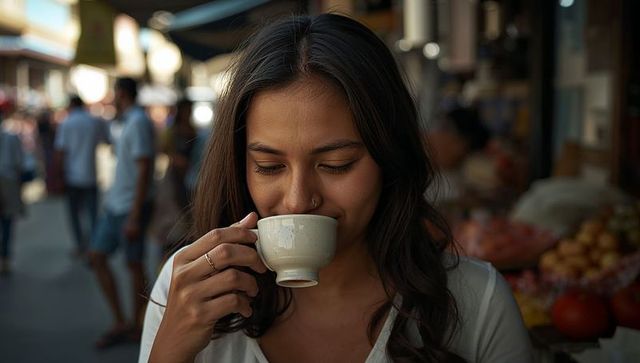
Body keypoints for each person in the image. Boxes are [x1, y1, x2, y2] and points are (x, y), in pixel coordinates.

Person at [139, 14, 532, 363]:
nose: (297, 199)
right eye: (269, 166)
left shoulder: (477, 304)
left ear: (390, 158)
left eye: (336, 165)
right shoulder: (190, 291)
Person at [90, 77, 155, 349]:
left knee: (134, 265)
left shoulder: (138, 121)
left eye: (113, 93)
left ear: (122, 93)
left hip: (130, 206)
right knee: (98, 257)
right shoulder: (127, 121)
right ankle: (125, 321)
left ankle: (137, 324)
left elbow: (144, 168)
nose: (111, 98)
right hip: (117, 204)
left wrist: (134, 215)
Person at [54, 95, 110, 258]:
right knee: (92, 214)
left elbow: (60, 151)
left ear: (71, 105)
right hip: (91, 175)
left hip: (72, 176)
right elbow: (106, 140)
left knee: (74, 214)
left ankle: (80, 246)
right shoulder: (93, 121)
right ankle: (94, 246)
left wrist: (58, 175)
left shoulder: (67, 123)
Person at [151, 98, 196, 263]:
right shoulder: (173, 130)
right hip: (174, 178)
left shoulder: (192, 129)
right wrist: (175, 158)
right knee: (171, 218)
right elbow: (162, 149)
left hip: (188, 179)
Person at [0, 111, 25, 275]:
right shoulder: (11, 137)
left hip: (8, 178)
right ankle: (5, 258)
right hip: (9, 179)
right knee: (7, 222)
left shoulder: (11, 137)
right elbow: (19, 161)